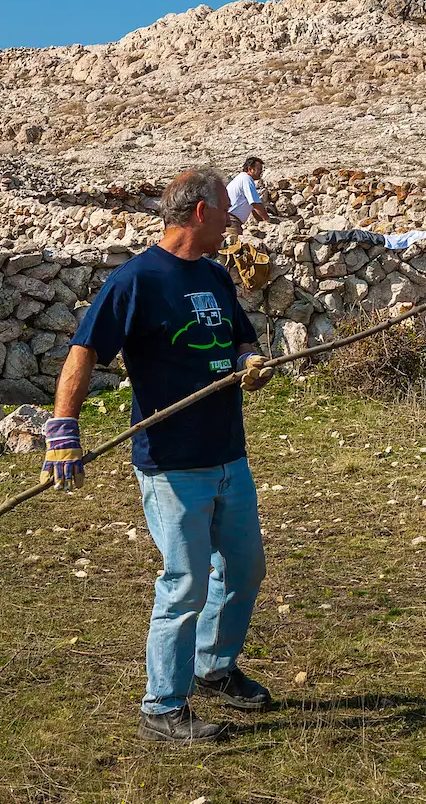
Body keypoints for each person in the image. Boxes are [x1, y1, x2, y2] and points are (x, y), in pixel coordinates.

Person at [45, 168, 276, 744]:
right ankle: (163, 705)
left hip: (228, 452)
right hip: (172, 463)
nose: (232, 221)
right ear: (200, 213)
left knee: (244, 568)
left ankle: (214, 667)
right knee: (185, 583)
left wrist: (249, 360)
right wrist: (63, 429)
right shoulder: (137, 280)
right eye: (226, 211)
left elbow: (240, 337)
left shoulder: (217, 277)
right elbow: (84, 351)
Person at [226, 157, 270, 229]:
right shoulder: (247, 179)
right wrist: (267, 220)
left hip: (229, 218)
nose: (261, 172)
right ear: (250, 169)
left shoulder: (241, 178)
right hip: (231, 220)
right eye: (259, 169)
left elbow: (254, 209)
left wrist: (262, 222)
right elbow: (255, 203)